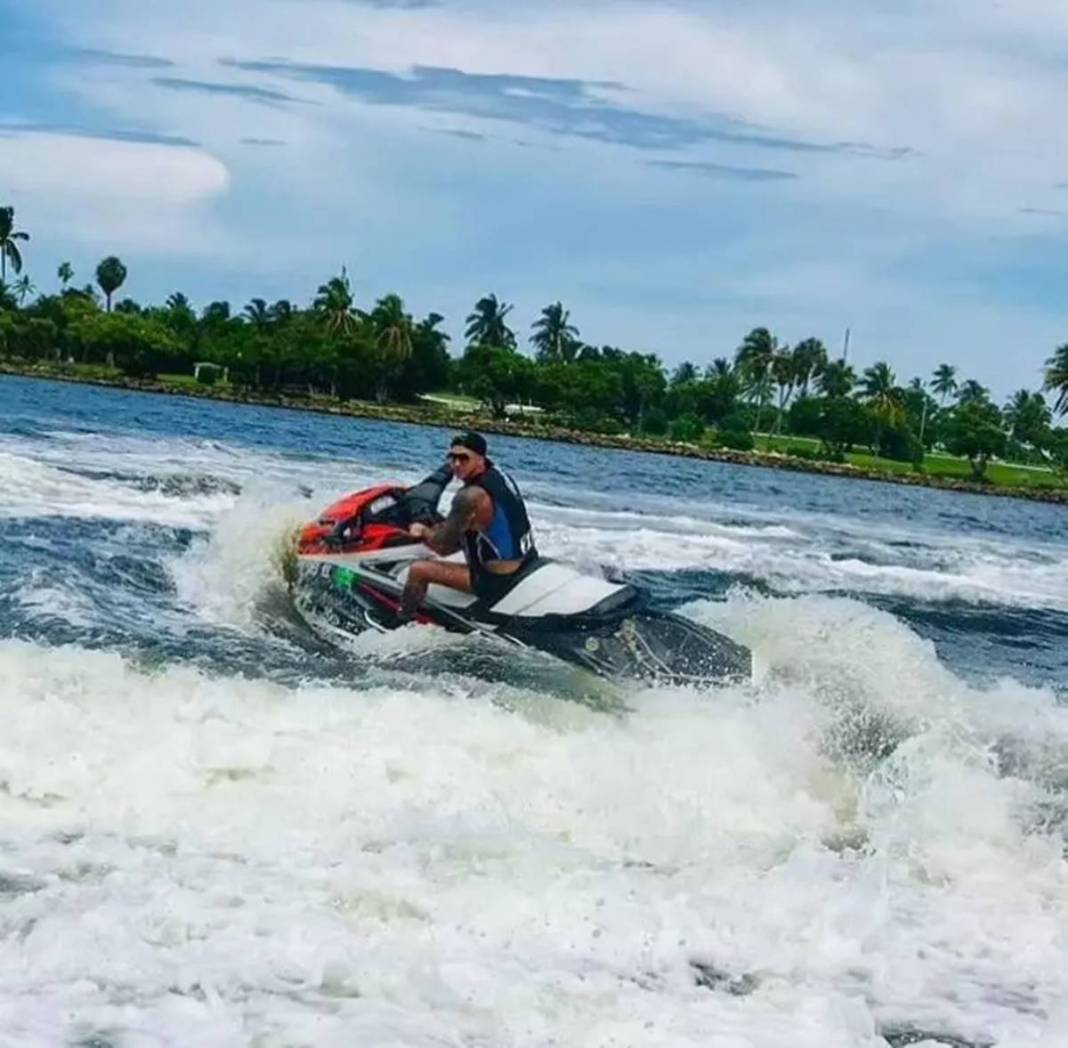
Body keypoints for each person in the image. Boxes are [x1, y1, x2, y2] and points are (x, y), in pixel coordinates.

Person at [400, 432, 536, 619]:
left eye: (463, 458)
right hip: (526, 561)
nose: (456, 464)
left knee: (418, 569)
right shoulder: (498, 475)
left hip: (496, 580)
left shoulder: (470, 497)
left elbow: (443, 547)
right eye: (452, 457)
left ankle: (402, 621)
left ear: (480, 459)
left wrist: (422, 530)